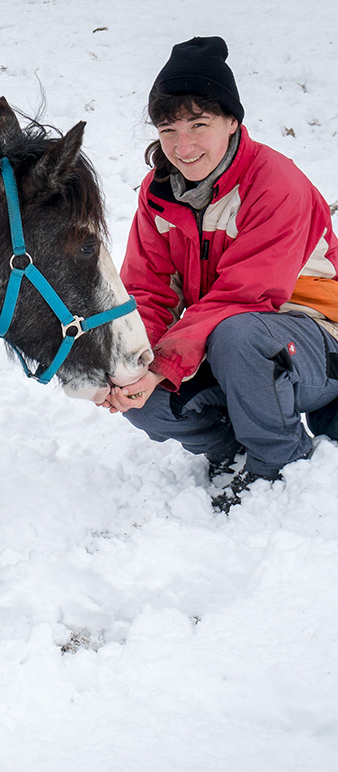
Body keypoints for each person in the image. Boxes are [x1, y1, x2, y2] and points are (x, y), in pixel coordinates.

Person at [104, 36, 338, 512]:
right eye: (168, 129)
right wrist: (130, 365)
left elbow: (245, 296)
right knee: (146, 396)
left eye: (199, 124)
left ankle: (277, 464)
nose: (183, 146)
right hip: (221, 338)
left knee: (238, 334)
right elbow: (147, 291)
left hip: (315, 341)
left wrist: (166, 365)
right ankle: (231, 450)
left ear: (232, 121)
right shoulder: (159, 195)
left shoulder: (276, 184)